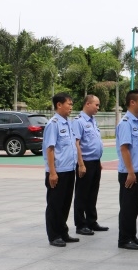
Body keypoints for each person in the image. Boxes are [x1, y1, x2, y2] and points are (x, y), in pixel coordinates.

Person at [43, 93, 79, 247]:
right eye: (69, 104)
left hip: (69, 170)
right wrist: (52, 172)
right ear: (59, 105)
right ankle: (54, 235)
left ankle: (63, 232)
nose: (71, 107)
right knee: (55, 205)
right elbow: (50, 149)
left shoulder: (68, 123)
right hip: (57, 171)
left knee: (65, 204)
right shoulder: (53, 124)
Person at [116, 90, 138, 250]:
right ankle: (124, 239)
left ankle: (132, 236)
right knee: (127, 207)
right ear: (132, 103)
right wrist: (130, 172)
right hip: (129, 172)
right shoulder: (125, 123)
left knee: (135, 206)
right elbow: (124, 149)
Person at [72, 94, 107, 236]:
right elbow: (76, 144)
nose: (98, 108)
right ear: (87, 104)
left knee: (93, 193)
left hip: (95, 162)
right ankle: (81, 224)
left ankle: (92, 221)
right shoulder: (78, 121)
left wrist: (98, 161)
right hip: (84, 162)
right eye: (96, 105)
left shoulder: (93, 121)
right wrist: (81, 164)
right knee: (82, 194)